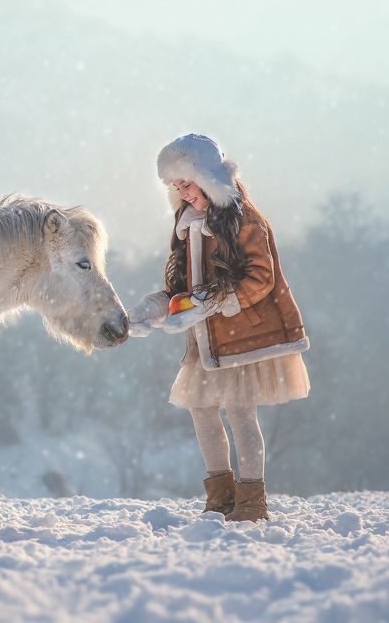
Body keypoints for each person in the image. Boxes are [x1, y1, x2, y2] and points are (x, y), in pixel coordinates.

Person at [128, 133, 310, 521]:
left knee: (241, 413)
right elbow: (183, 289)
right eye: (175, 186)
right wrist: (157, 307)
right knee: (201, 410)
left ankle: (251, 500)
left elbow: (261, 277)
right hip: (206, 339)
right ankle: (220, 495)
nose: (182, 192)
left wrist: (212, 303)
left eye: (187, 183)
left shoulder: (244, 219)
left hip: (240, 335)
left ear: (208, 177)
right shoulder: (187, 223)